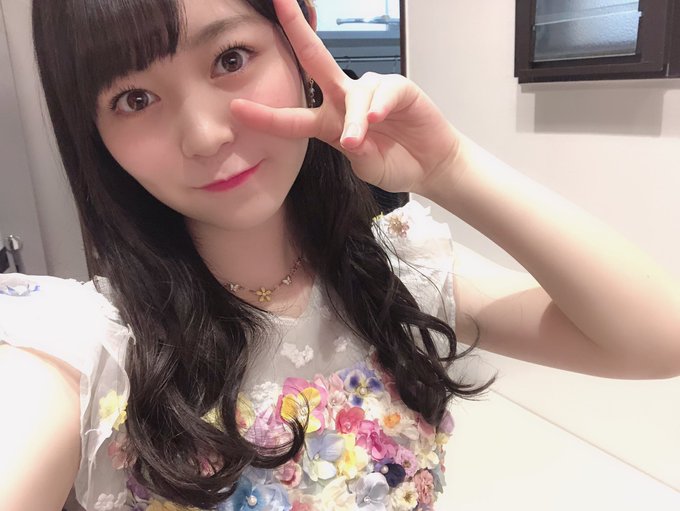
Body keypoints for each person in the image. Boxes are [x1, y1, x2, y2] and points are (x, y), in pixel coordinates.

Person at [1, 0, 679, 509]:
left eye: (230, 59)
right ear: (94, 132)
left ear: (301, 43)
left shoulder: (397, 272)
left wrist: (453, 167)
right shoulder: (93, 350)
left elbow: (660, 337)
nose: (204, 135)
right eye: (135, 98)